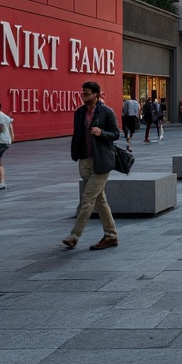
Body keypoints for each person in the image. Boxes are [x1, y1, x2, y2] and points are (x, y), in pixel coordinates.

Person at [62, 81, 120, 250]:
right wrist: (77, 154)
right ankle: (111, 235)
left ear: (95, 94)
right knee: (99, 199)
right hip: (85, 160)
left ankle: (74, 235)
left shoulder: (107, 112)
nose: (83, 96)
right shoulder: (79, 112)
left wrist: (101, 133)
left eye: (86, 93)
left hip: (101, 161)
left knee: (87, 199)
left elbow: (116, 134)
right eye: (82, 93)